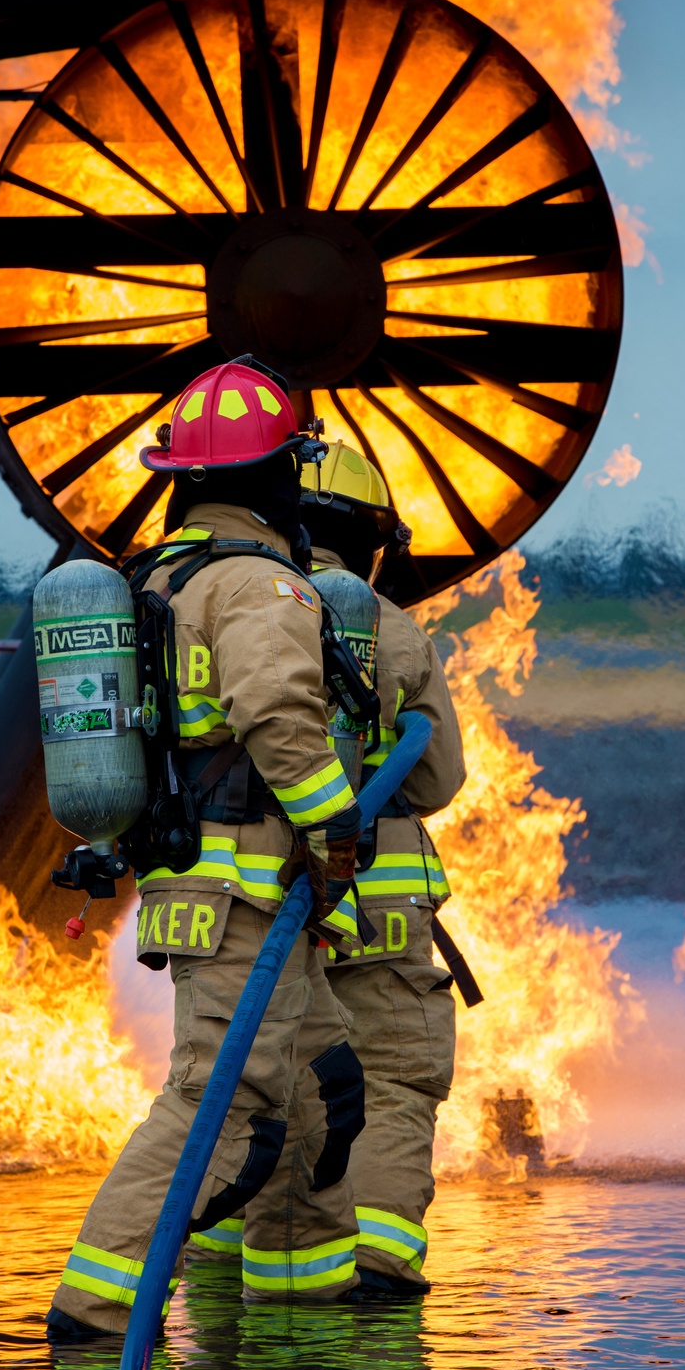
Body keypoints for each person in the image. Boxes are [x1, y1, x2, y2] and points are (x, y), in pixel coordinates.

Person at [46, 361, 367, 1339]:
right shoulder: (258, 585)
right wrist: (335, 828)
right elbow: (275, 715)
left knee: (321, 1086)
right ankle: (95, 1321)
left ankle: (306, 1308)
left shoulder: (156, 578)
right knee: (222, 1106)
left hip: (211, 881)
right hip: (248, 886)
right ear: (281, 474)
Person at [189, 442, 466, 1297]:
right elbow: (437, 777)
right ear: (374, 538)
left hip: (255, 903)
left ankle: (232, 1268)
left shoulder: (224, 598)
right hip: (373, 912)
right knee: (387, 1078)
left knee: (266, 1077)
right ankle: (374, 1272)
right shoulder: (387, 622)